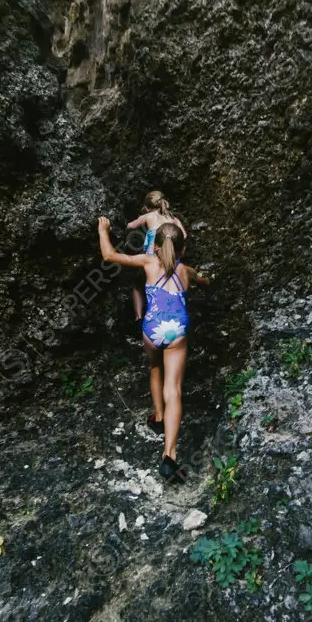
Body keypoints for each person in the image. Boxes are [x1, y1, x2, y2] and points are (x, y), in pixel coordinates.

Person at [97, 216, 209, 481]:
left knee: (154, 366)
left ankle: (158, 416)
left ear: (155, 247)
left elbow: (109, 255)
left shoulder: (147, 261)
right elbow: (204, 280)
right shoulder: (186, 271)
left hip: (152, 329)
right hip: (176, 332)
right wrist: (206, 279)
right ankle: (169, 456)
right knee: (175, 390)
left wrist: (103, 230)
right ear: (181, 250)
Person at [127, 191, 188, 325]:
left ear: (148, 207)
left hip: (152, 259)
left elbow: (130, 226)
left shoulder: (148, 216)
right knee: (166, 286)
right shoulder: (174, 219)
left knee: (138, 285)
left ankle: (139, 317)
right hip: (171, 259)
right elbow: (183, 236)